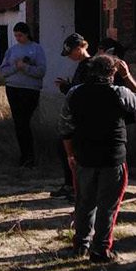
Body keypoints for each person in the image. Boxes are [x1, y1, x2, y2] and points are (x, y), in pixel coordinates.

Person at [59, 54, 136, 263]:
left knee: (84, 202)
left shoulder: (74, 93)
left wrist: (70, 154)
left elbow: (65, 128)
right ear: (113, 72)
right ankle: (100, 249)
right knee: (108, 205)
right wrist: (127, 76)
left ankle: (81, 244)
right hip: (112, 157)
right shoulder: (119, 92)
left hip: (84, 156)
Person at [51, 33, 94, 198]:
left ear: (79, 48)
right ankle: (72, 185)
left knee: (72, 152)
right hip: (78, 115)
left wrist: (65, 88)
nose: (69, 57)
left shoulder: (88, 66)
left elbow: (82, 92)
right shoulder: (83, 65)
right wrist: (67, 86)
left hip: (82, 117)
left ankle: (76, 187)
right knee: (64, 149)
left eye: (70, 53)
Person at [0, 21, 46, 166]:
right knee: (18, 123)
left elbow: (41, 71)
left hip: (30, 90)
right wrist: (16, 67)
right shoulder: (12, 50)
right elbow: (3, 71)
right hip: (13, 88)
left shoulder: (37, 49)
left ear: (27, 34)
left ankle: (30, 156)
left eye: (20, 35)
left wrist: (26, 67)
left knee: (24, 122)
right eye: (15, 35)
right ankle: (23, 155)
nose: (18, 38)